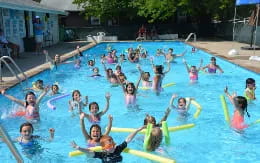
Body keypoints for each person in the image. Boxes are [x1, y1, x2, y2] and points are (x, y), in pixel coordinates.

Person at [71, 126, 145, 162]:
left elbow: (128, 139)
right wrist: (78, 148)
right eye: (108, 145)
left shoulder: (118, 149)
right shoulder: (102, 155)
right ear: (104, 148)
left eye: (111, 143)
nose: (111, 146)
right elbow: (89, 152)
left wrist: (137, 130)